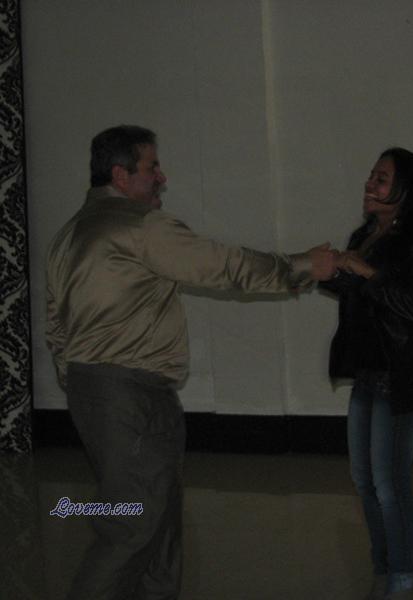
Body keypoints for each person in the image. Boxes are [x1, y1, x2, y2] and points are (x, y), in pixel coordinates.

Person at [45, 124, 337, 600]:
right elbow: (223, 265)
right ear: (120, 175)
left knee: (156, 525)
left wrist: (85, 384)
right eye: (152, 167)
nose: (162, 177)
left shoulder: (69, 234)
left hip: (100, 392)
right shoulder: (139, 225)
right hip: (129, 395)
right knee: (133, 527)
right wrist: (301, 265)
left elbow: (56, 328)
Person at [321, 148, 413, 599]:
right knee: (364, 480)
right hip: (367, 372)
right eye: (371, 176)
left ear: (405, 190)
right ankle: (382, 565)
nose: (370, 184)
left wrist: (364, 270)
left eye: (380, 178)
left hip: (400, 377)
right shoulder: (367, 234)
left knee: (389, 483)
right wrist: (324, 270)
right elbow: (356, 290)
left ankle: (401, 574)